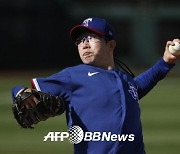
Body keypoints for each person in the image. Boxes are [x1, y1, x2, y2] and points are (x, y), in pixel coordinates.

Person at [11, 17, 180, 154]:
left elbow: (136, 88)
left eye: (90, 38)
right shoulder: (73, 76)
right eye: (80, 40)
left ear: (110, 44)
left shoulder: (125, 79)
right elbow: (25, 92)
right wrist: (19, 92)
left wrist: (165, 62)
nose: (84, 44)